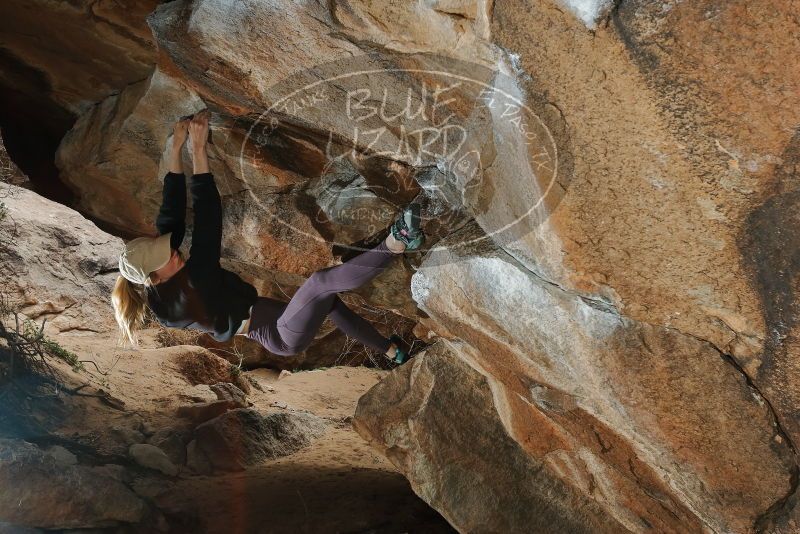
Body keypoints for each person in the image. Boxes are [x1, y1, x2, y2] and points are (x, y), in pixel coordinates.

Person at [111, 111, 424, 364]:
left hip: (270, 320)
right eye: (164, 257)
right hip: (279, 335)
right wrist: (197, 148)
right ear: (154, 278)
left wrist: (177, 147)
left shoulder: (161, 279)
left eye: (162, 248)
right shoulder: (194, 283)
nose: (172, 252)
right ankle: (398, 242)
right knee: (319, 283)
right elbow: (208, 215)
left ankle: (390, 351)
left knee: (328, 303)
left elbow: (170, 214)